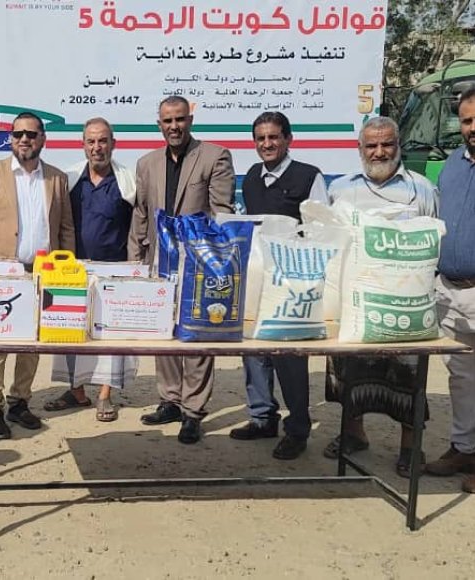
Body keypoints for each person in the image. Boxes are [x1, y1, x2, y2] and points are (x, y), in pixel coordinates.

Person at [310, 116, 439, 477]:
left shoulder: (422, 189)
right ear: (360, 149)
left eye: (387, 144)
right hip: (355, 304)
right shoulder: (342, 189)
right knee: (349, 371)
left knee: (408, 375)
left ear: (398, 146)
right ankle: (354, 434)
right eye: (371, 146)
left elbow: (434, 243)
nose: (379, 152)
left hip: (403, 304)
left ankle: (410, 446)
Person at [128, 96, 235, 444]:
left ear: (190, 120)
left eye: (179, 119)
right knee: (163, 333)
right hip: (159, 261)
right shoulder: (146, 163)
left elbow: (222, 212)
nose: (174, 126)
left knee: (197, 338)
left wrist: (214, 260)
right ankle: (170, 400)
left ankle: (193, 412)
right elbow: (141, 214)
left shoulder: (215, 156)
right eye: (167, 121)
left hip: (199, 263)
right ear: (159, 124)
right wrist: (135, 261)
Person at [0, 111, 75, 439]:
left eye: (30, 134)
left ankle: (20, 402)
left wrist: (66, 269)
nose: (24, 139)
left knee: (32, 343)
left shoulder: (56, 178)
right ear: (10, 139)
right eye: (17, 134)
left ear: (43, 139)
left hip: (44, 275)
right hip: (3, 273)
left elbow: (65, 227)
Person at [230, 111, 327, 460]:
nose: (267, 144)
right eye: (261, 138)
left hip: (292, 283)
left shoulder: (309, 176)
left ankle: (297, 429)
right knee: (255, 352)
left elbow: (321, 228)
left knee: (289, 357)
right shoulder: (252, 178)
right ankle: (262, 418)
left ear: (288, 139)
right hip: (258, 277)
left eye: (273, 137)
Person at [44, 117, 137, 422]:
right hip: (73, 271)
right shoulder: (70, 178)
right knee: (71, 332)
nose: (97, 147)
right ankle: (77, 391)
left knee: (109, 337)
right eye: (91, 141)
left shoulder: (128, 182)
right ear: (83, 145)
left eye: (103, 141)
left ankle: (105, 396)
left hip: (115, 272)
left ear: (113, 144)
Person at [425, 87, 475, 492]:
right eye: (467, 120)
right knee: (461, 375)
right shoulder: (451, 165)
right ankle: (464, 447)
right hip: (450, 290)